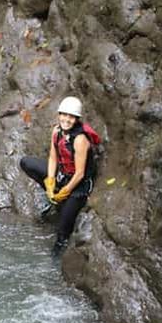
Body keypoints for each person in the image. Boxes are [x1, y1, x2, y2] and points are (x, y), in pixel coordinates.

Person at [19, 96, 100, 254]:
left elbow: (80, 173)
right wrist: (50, 180)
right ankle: (55, 197)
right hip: (63, 175)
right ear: (59, 115)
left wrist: (65, 191)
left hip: (79, 185)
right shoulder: (56, 131)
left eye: (71, 117)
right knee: (26, 162)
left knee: (62, 234)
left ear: (76, 119)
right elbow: (53, 157)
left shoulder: (80, 140)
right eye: (64, 115)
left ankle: (55, 259)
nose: (67, 120)